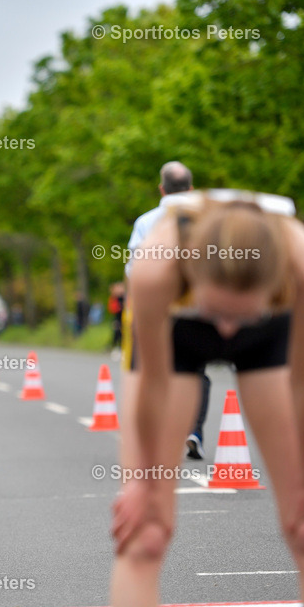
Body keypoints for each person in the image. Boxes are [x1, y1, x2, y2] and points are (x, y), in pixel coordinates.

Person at [111, 190, 304, 607]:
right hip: (179, 333)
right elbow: (153, 388)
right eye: (219, 314)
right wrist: (141, 483)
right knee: (145, 534)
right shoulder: (155, 268)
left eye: (237, 316)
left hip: (270, 336)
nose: (226, 330)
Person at [125, 161, 208, 460]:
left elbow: (134, 268)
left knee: (152, 370)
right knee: (196, 369)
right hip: (196, 305)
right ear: (191, 187)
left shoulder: (146, 221)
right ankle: (193, 430)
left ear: (161, 188)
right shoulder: (206, 217)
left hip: (156, 306)